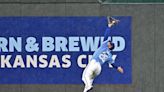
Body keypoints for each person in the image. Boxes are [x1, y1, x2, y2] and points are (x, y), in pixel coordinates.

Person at [82, 17, 124, 92]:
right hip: (98, 69)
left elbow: (106, 35)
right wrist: (118, 68)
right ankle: (87, 88)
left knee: (84, 76)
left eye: (109, 42)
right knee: (90, 80)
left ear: (110, 46)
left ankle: (89, 86)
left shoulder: (104, 46)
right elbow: (113, 64)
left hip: (94, 63)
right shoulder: (110, 56)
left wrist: (109, 26)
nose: (108, 42)